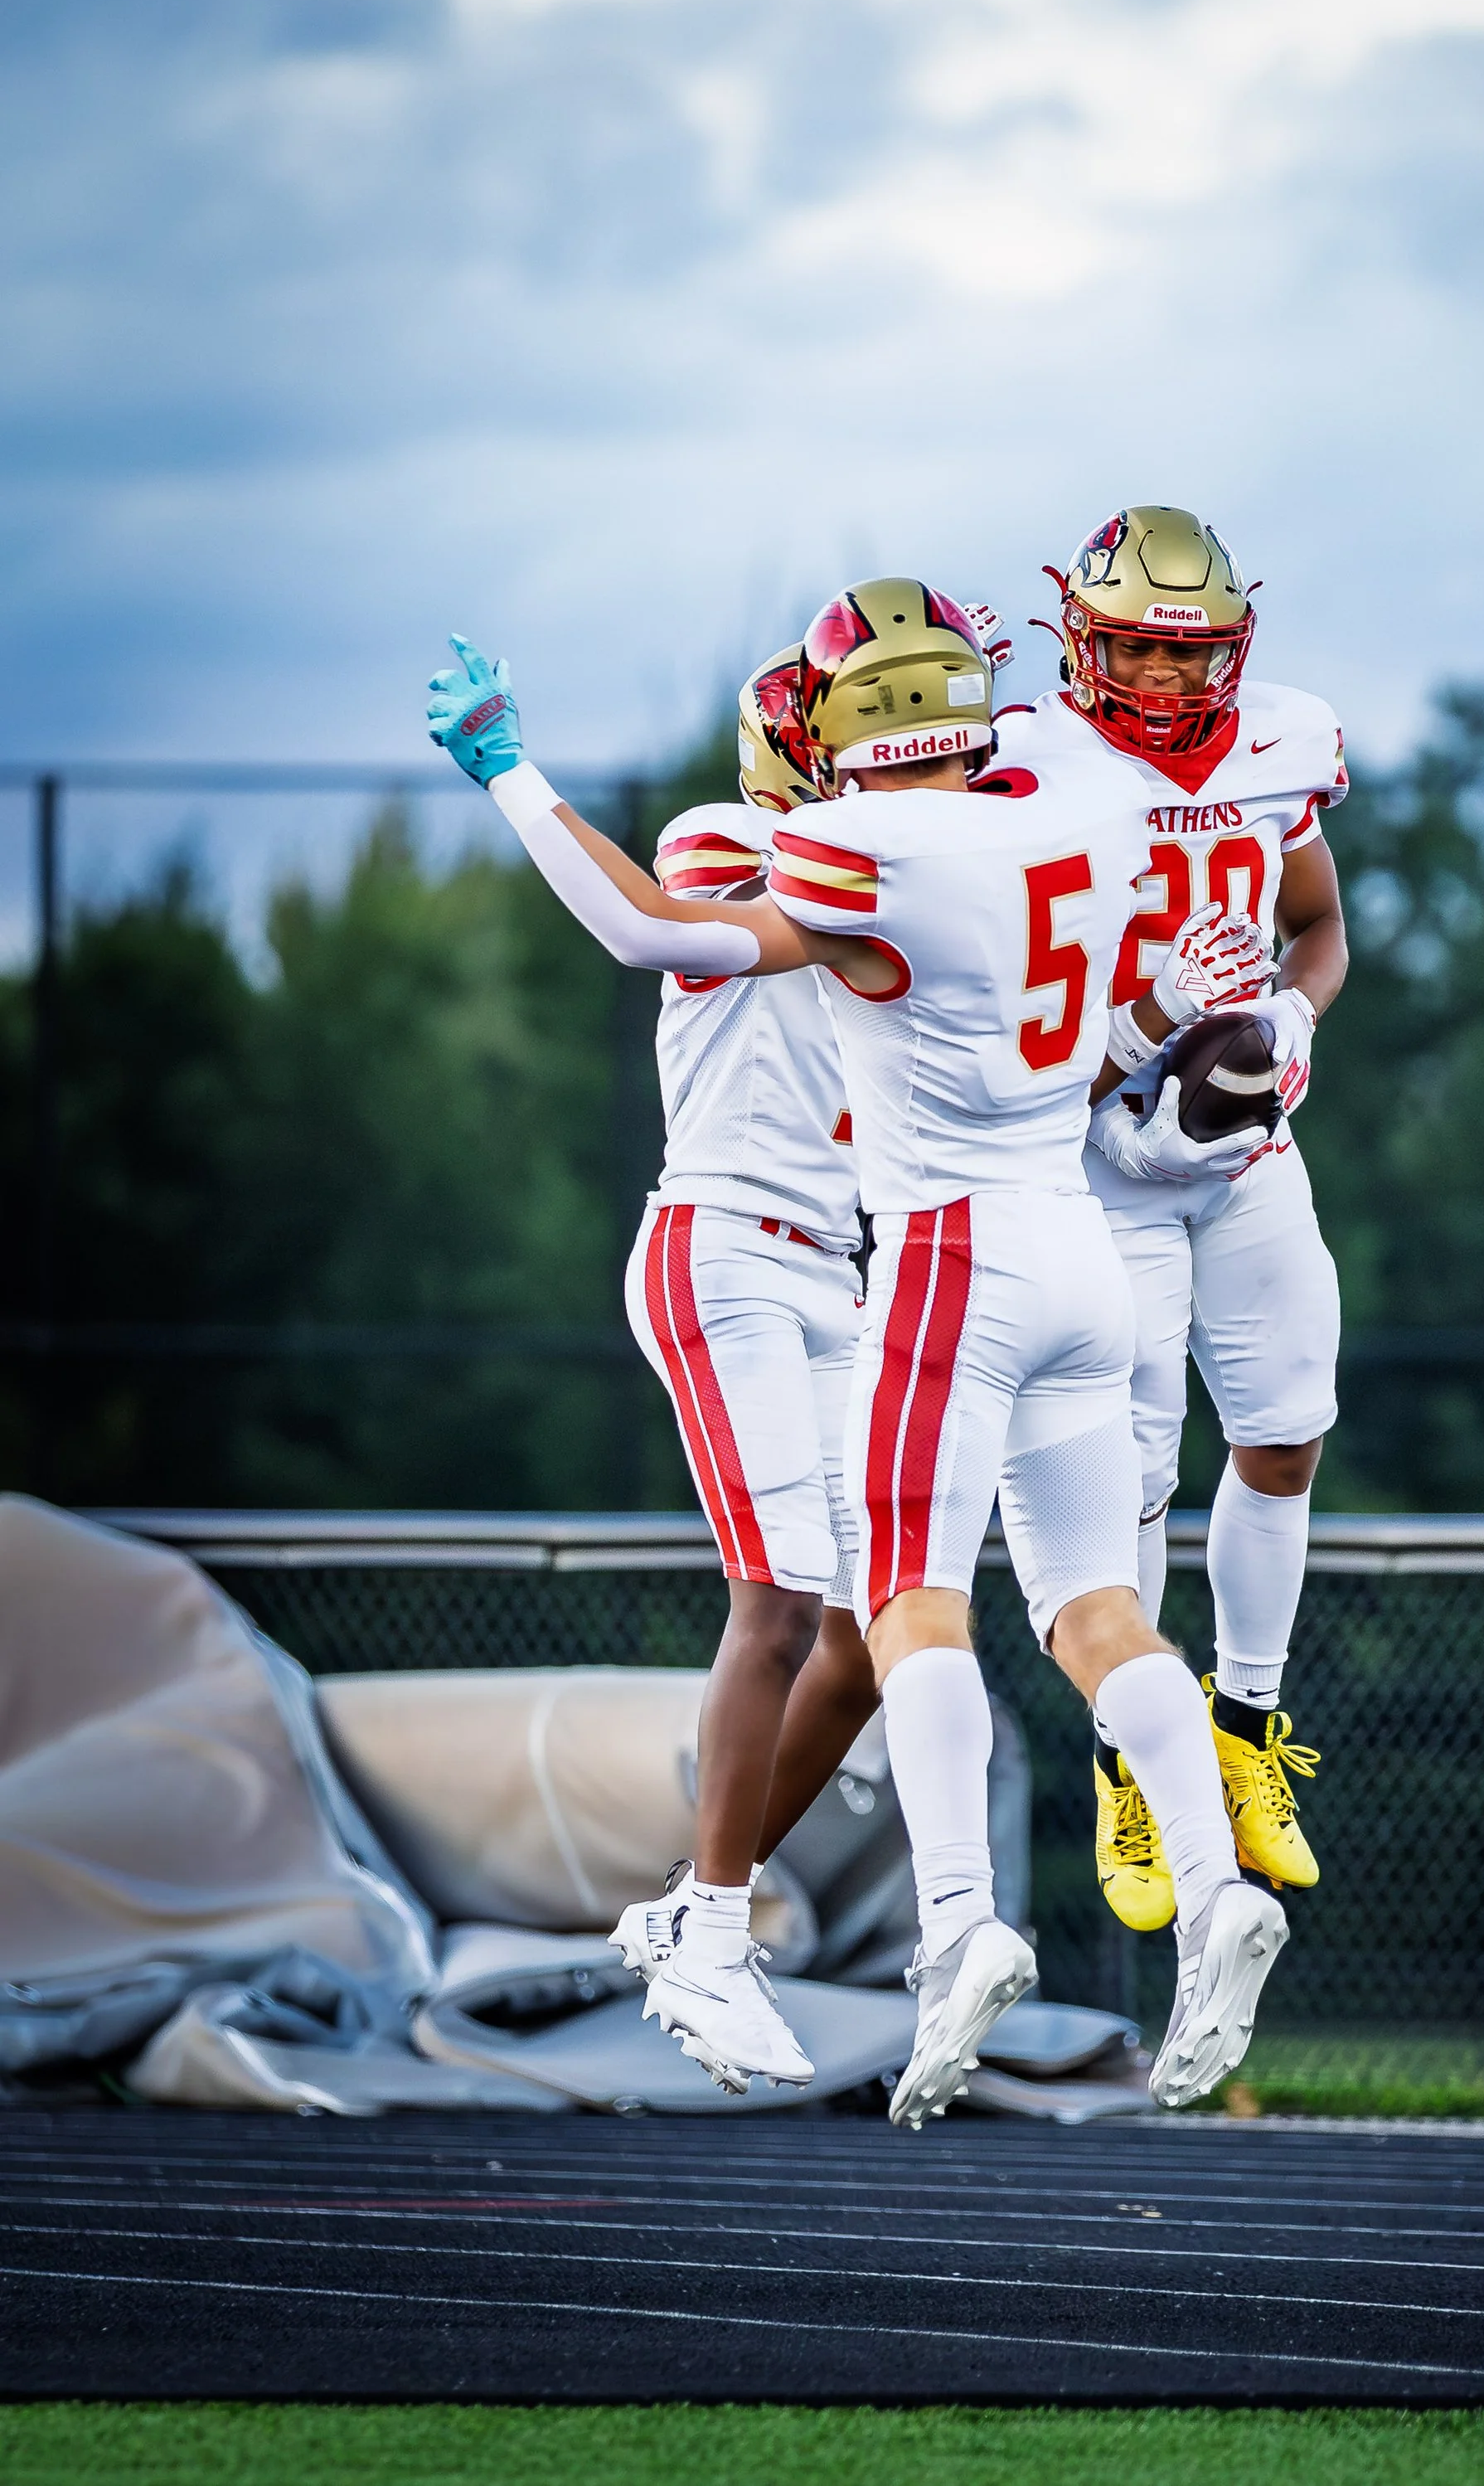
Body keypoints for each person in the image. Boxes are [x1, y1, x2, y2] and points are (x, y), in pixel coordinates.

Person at [428, 582, 1288, 2127]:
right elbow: (1072, 988)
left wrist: (510, 769)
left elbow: (661, 920)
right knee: (857, 1605)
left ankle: (869, 1918)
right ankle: (715, 1925)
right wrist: (1188, 1007)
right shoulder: (1044, 830)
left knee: (876, 1618)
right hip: (796, 1249)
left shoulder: (873, 848)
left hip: (922, 1263)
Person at [427, 639, 879, 2095]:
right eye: (906, 726)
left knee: (878, 1638)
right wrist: (512, 773)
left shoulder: (930, 872)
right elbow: (649, 930)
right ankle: (719, 1935)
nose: (936, 756)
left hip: (840, 1269)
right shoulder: (737, 840)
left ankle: (699, 1901)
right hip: (726, 1246)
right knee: (783, 1596)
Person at [995, 506, 1349, 1925]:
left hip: (1246, 1147)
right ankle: (1130, 1764)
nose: (1158, 680)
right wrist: (1152, 1015)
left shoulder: (1283, 744)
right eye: (1135, 649)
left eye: (1186, 652)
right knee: (1130, 1479)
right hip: (1097, 1158)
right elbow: (1001, 999)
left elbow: (1317, 928)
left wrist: (1293, 1018)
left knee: (1285, 1433)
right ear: (1083, 639)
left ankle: (1245, 1728)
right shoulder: (1025, 766)